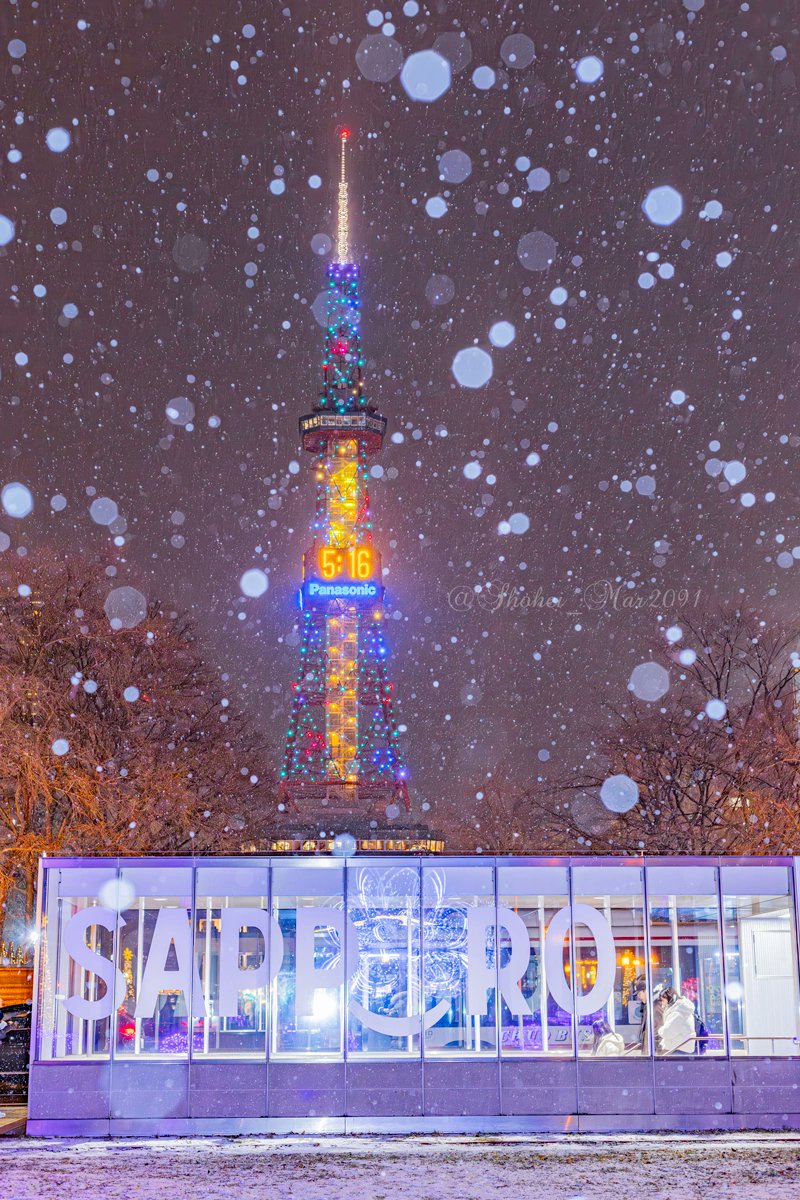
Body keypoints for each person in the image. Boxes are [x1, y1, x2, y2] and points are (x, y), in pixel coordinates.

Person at [656, 987, 697, 1055]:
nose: (662, 1003)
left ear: (669, 999)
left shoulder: (678, 1013)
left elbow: (667, 1032)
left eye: (663, 1000)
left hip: (678, 1049)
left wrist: (660, 1030)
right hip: (681, 1048)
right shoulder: (681, 1010)